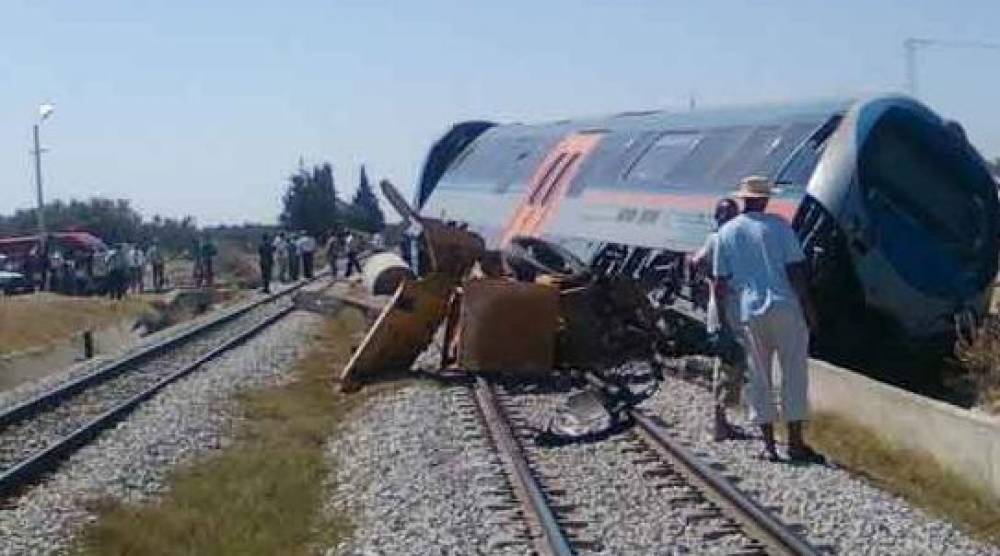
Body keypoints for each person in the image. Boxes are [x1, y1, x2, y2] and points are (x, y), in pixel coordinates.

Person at [713, 176, 823, 464]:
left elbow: (720, 282)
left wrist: (724, 323)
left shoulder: (727, 232)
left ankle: (768, 446)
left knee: (759, 377)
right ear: (764, 200)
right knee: (794, 375)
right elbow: (796, 271)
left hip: (750, 311)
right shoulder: (780, 226)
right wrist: (809, 309)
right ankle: (796, 444)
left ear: (743, 200)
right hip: (786, 306)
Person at [691, 198, 743, 442]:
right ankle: (720, 424)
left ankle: (722, 421)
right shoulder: (720, 239)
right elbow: (695, 263)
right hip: (725, 309)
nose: (730, 219)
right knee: (726, 364)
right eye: (727, 215)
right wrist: (712, 283)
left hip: (726, 307)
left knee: (728, 363)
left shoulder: (717, 238)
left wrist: (707, 281)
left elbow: (694, 262)